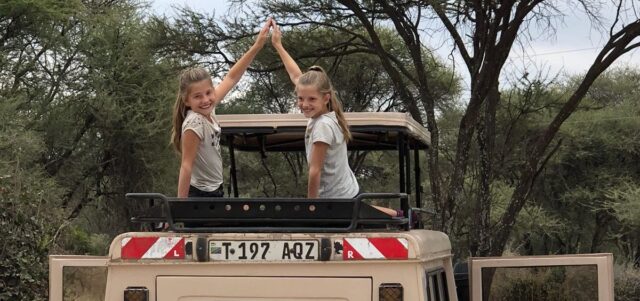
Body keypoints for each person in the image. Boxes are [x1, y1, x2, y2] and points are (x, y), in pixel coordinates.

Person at [271, 21, 399, 217]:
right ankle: (398, 215)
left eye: (311, 99)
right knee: (367, 213)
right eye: (300, 98)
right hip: (346, 192)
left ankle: (398, 215)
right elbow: (296, 75)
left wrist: (311, 208)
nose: (305, 104)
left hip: (337, 198)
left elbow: (315, 171)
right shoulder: (327, 116)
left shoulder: (322, 125)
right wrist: (278, 45)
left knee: (364, 216)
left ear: (326, 98)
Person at [171, 18, 272, 198]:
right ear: (187, 101)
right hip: (201, 193)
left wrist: (257, 46)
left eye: (208, 93)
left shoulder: (208, 110)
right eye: (197, 96)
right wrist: (181, 205)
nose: (206, 99)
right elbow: (186, 165)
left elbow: (232, 77)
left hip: (214, 189)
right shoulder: (194, 122)